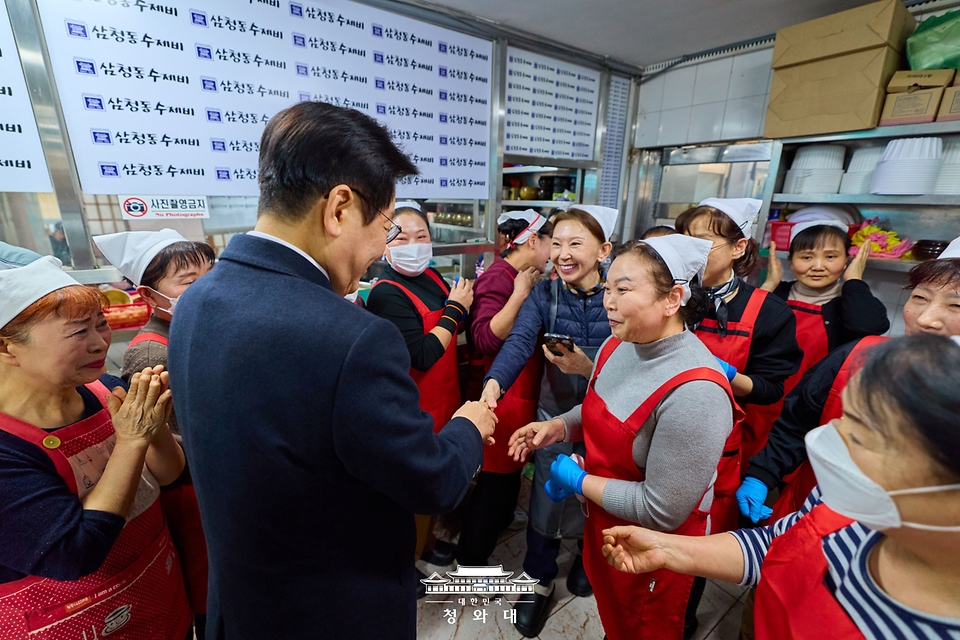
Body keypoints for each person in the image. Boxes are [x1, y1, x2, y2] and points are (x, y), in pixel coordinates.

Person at [167, 101, 496, 640]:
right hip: (334, 612)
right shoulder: (352, 338)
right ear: (339, 208)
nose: (382, 248)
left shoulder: (196, 302)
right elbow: (432, 482)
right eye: (386, 226)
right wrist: (469, 426)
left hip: (245, 606)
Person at [601, 333, 960, 639]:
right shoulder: (853, 506)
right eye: (842, 419)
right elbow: (778, 545)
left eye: (862, 436)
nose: (829, 438)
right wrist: (669, 549)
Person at [508, 235, 738, 640]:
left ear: (673, 299)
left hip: (654, 549)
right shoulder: (619, 344)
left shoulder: (696, 392)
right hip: (607, 523)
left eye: (624, 290)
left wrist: (579, 481)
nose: (608, 303)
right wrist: (558, 426)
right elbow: (599, 406)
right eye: (608, 289)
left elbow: (661, 509)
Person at [0, 254, 191, 639]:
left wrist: (153, 428)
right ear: (7, 349)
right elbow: (74, 551)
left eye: (101, 325)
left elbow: (170, 475)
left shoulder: (106, 390)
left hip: (159, 594)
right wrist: (131, 440)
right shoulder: (9, 447)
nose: (99, 343)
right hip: (64, 620)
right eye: (77, 332)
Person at [738, 238, 960, 523]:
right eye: (920, 298)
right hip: (806, 516)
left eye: (956, 305)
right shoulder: (858, 356)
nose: (926, 319)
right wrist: (762, 474)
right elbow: (797, 422)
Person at [480, 205, 619, 637]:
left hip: (612, 415)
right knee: (548, 496)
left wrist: (587, 367)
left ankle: (587, 560)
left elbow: (640, 363)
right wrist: (493, 384)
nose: (562, 253)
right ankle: (538, 577)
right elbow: (520, 341)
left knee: (602, 493)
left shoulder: (622, 293)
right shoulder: (545, 294)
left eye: (576, 243)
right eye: (556, 243)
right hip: (554, 414)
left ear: (604, 250)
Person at [94, 229, 215, 636]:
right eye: (189, 281)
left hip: (211, 480)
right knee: (210, 592)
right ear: (149, 295)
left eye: (211, 274)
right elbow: (165, 440)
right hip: (191, 489)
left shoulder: (193, 327)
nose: (206, 288)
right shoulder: (151, 352)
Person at [676, 198, 802, 532]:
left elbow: (770, 390)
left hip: (726, 448)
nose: (691, 252)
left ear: (738, 247)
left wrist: (727, 375)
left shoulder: (769, 312)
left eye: (703, 242)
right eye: (684, 241)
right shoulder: (670, 298)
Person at [366, 201, 475, 579]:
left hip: (445, 399)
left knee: (432, 485)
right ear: (384, 244)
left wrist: (462, 308)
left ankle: (426, 543)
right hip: (416, 406)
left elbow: (456, 327)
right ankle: (404, 565)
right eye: (401, 238)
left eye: (421, 236)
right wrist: (456, 308)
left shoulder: (432, 276)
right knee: (412, 491)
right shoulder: (386, 293)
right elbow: (423, 355)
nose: (413, 245)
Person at [456, 210, 551, 569]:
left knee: (510, 474)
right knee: (494, 482)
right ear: (533, 240)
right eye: (552, 243)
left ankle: (499, 523)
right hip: (501, 395)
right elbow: (482, 339)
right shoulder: (500, 277)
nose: (555, 252)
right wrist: (520, 294)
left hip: (520, 391)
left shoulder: (522, 274)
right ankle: (471, 559)